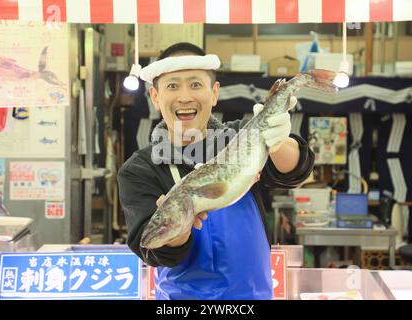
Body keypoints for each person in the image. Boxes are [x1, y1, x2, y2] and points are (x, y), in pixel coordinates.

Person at [117, 42, 314, 300]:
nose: (185, 96)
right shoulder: (139, 170)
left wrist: (278, 141)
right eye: (172, 86)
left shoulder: (240, 137)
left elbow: (293, 171)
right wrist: (177, 230)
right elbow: (153, 251)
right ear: (155, 97)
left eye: (196, 84)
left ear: (214, 93)